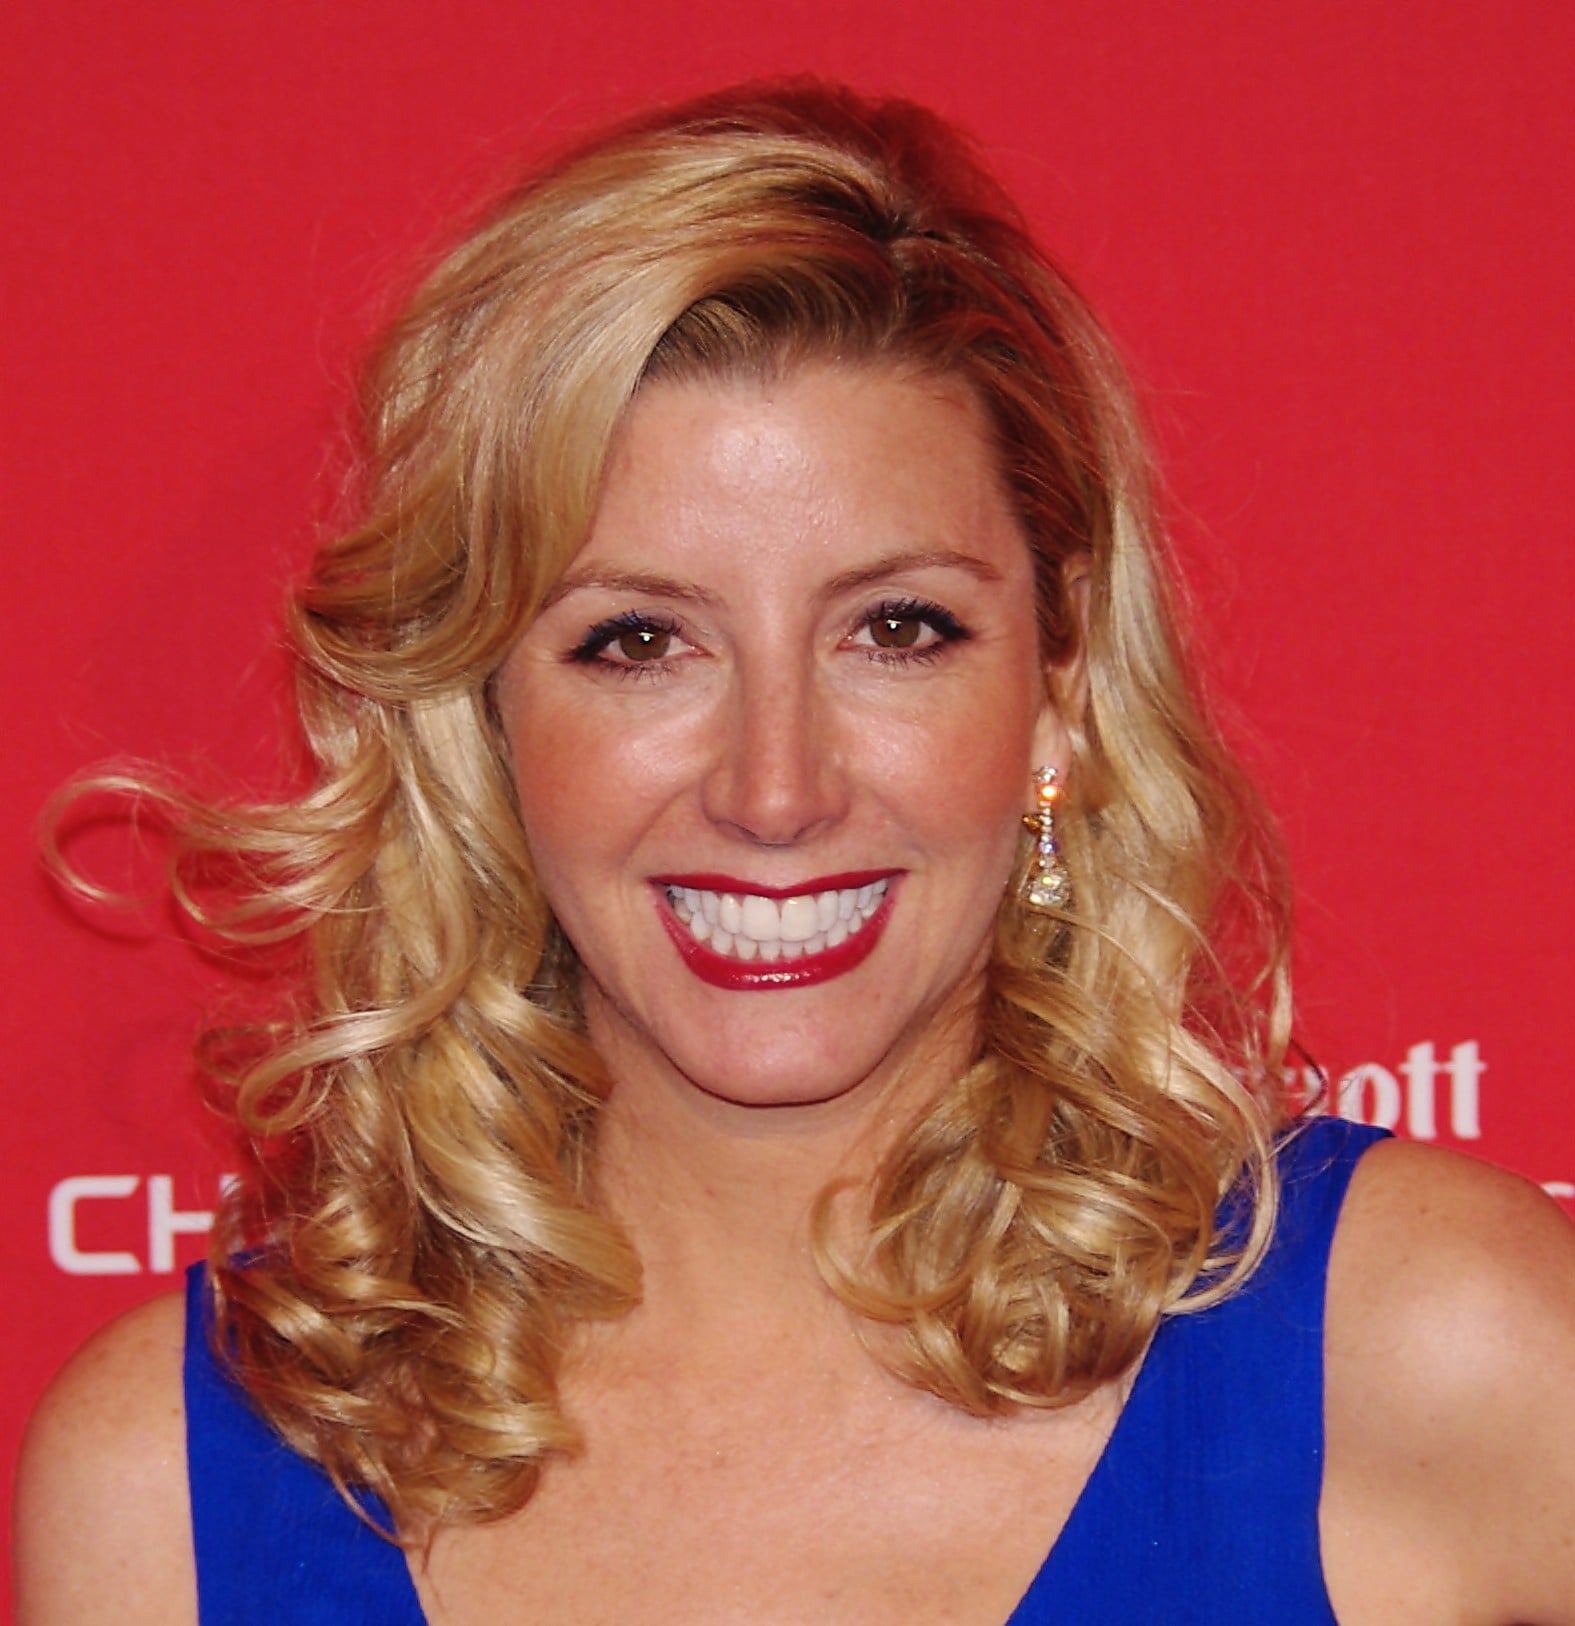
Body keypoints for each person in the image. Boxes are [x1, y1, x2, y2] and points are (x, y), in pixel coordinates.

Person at [14, 80, 1575, 1626]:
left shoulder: (1438, 1356)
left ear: (1063, 688)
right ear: (480, 720)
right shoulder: (174, 1490)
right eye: (637, 640)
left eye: (896, 630)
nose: (777, 787)